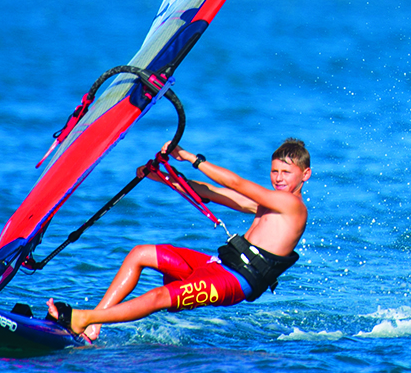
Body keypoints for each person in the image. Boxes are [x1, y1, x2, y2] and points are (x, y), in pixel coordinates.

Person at [47, 139, 311, 341]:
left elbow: (236, 183)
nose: (278, 178)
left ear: (305, 174)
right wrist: (164, 177)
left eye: (286, 172)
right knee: (141, 253)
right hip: (219, 265)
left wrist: (189, 157)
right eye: (275, 171)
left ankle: (83, 318)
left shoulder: (293, 207)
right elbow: (212, 192)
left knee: (160, 296)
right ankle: (93, 326)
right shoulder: (269, 204)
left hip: (234, 281)